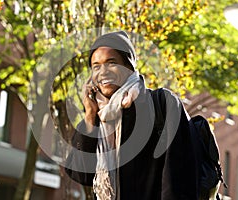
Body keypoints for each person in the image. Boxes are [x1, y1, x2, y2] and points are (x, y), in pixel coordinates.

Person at [65, 31, 199, 200]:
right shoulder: (97, 115)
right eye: (96, 66)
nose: (103, 72)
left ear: (129, 66)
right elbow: (81, 175)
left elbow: (178, 179)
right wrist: (90, 115)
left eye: (111, 62)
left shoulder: (162, 103)